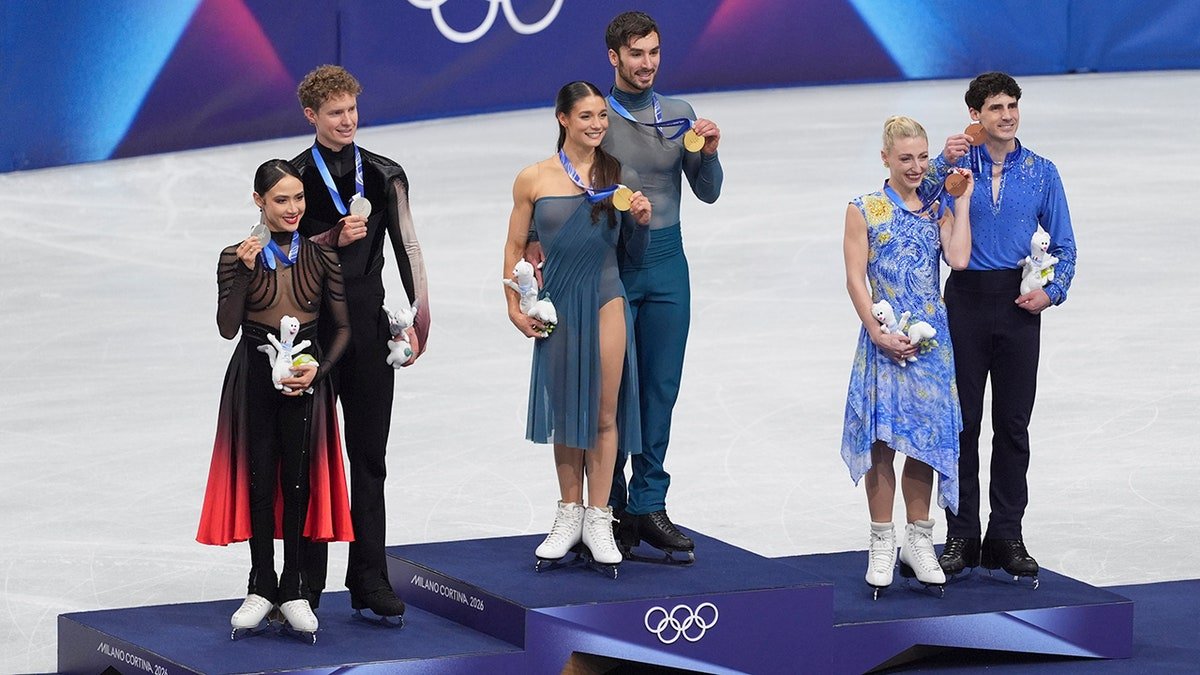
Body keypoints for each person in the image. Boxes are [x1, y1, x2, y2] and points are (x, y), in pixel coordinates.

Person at [530, 11, 724, 563]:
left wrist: (707, 154)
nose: (647, 64)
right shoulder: (596, 118)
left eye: (654, 52)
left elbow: (707, 192)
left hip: (668, 268)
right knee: (606, 395)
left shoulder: (679, 114)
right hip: (609, 271)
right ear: (613, 57)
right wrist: (532, 245)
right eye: (636, 54)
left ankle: (648, 504)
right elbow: (558, 184)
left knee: (660, 389)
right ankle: (604, 508)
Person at [290, 65, 430, 620]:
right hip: (311, 331)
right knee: (309, 461)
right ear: (311, 117)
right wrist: (327, 237)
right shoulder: (295, 176)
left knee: (369, 457)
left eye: (352, 109)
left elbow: (409, 248)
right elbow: (277, 254)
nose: (347, 120)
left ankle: (369, 577)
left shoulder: (384, 172)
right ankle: (304, 582)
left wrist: (420, 319)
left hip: (370, 329)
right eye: (334, 113)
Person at [197, 159, 354, 637]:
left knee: (300, 484)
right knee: (261, 483)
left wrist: (318, 374)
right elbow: (227, 329)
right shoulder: (234, 256)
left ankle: (295, 588)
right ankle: (260, 584)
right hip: (253, 378)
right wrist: (244, 272)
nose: (293, 209)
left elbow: (343, 328)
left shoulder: (322, 256)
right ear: (258, 202)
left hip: (306, 378)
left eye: (299, 199)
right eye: (281, 200)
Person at [931, 72, 1077, 582]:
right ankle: (961, 534)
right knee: (962, 425)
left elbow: (1065, 247)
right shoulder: (953, 166)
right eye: (995, 107)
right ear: (975, 114)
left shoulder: (1041, 172)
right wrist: (936, 163)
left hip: (1018, 307)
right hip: (964, 303)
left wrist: (1051, 292)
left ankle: (1006, 535)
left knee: (1012, 426)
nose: (1008, 115)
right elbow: (915, 201)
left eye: (1012, 105)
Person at [505, 81, 652, 572]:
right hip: (558, 303)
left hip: (608, 298)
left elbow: (632, 252)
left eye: (602, 117)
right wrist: (513, 304)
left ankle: (599, 517)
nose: (596, 125)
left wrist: (641, 223)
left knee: (605, 414)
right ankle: (569, 514)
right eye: (586, 116)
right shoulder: (533, 178)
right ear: (563, 118)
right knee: (568, 411)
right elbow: (514, 249)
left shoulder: (618, 175)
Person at [841, 117, 973, 595]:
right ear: (885, 159)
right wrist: (876, 332)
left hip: (932, 344)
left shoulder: (936, 207)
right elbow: (856, 278)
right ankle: (881, 541)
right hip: (885, 341)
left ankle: (920, 542)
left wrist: (962, 200)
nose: (916, 167)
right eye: (905, 159)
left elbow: (957, 259)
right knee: (883, 441)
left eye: (922, 157)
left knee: (926, 442)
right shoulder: (865, 209)